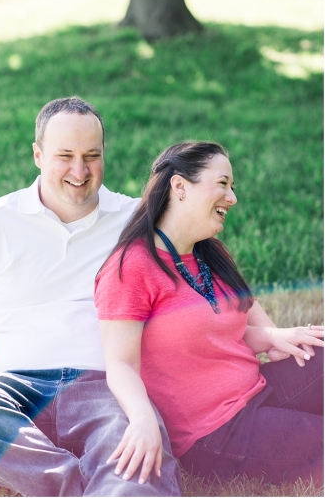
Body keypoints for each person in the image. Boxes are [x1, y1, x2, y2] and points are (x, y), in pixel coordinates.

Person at [0, 97, 182, 496]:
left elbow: (198, 266)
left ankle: (36, 481)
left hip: (100, 387)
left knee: (137, 464)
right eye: (65, 156)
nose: (79, 170)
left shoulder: (135, 220)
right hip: (15, 388)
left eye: (92, 155)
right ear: (37, 155)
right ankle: (73, 484)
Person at [95, 141, 324, 486]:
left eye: (232, 187)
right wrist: (142, 419)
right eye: (222, 184)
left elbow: (229, 331)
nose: (232, 198)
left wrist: (278, 337)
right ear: (179, 187)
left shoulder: (210, 253)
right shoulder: (131, 268)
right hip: (216, 434)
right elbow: (120, 363)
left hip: (257, 390)